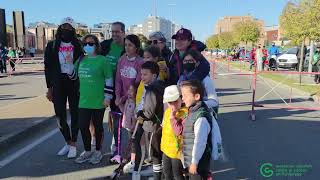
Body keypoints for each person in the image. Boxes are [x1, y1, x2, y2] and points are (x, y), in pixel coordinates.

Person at [65, 34, 113, 164]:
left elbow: (109, 79)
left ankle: (97, 151)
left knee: (98, 127)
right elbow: (73, 76)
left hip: (99, 100)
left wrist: (108, 97)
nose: (88, 46)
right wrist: (69, 64)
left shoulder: (103, 60)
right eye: (85, 44)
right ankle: (87, 150)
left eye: (91, 44)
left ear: (97, 45)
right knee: (82, 126)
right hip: (84, 100)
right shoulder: (81, 59)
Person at [44, 17, 83, 158]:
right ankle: (67, 142)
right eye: (63, 26)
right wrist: (49, 88)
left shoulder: (78, 45)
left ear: (73, 30)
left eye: (69, 27)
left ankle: (74, 143)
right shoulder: (52, 45)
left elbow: (83, 63)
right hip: (58, 83)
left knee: (75, 113)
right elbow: (47, 67)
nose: (66, 29)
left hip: (74, 82)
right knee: (59, 115)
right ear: (60, 27)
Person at [132, 61, 166, 180]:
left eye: (145, 75)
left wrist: (141, 113)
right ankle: (158, 173)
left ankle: (157, 176)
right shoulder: (160, 86)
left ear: (154, 76)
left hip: (152, 126)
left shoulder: (152, 89)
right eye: (141, 74)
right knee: (156, 152)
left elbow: (149, 112)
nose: (142, 77)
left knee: (155, 153)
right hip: (158, 125)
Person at [114, 34, 144, 162]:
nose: (127, 47)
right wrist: (118, 96)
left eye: (130, 45)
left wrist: (125, 97)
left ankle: (136, 158)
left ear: (136, 47)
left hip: (134, 100)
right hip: (122, 100)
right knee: (127, 129)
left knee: (135, 131)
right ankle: (132, 156)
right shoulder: (121, 59)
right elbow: (118, 80)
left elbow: (136, 83)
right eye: (126, 45)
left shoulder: (140, 62)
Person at [100, 21, 126, 158]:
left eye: (117, 31)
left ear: (123, 32)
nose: (114, 34)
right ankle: (95, 144)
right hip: (103, 86)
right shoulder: (105, 45)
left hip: (119, 88)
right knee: (97, 116)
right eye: (113, 31)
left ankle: (116, 143)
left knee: (117, 117)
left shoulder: (128, 46)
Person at [180, 80, 213, 180]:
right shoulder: (193, 110)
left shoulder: (201, 117)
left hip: (198, 164)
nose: (182, 98)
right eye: (182, 95)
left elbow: (200, 142)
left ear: (197, 97)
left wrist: (194, 162)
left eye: (185, 95)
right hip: (191, 160)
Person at [178, 49, 219, 115]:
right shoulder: (181, 78)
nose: (187, 63)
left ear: (197, 63)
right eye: (185, 61)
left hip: (201, 113)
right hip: (185, 114)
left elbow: (214, 102)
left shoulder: (205, 79)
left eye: (190, 61)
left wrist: (200, 104)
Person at [161, 85, 187, 180]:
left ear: (181, 99)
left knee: (177, 176)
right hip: (166, 149)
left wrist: (173, 118)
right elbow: (164, 127)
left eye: (175, 101)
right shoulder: (167, 111)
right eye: (170, 102)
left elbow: (179, 131)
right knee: (167, 174)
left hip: (177, 152)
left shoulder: (184, 113)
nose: (173, 105)